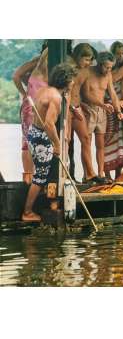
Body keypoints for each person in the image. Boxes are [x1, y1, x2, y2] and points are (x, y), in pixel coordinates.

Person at [22, 63, 77, 222]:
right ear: (66, 80)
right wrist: (57, 144)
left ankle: (46, 205)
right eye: (72, 80)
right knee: (40, 177)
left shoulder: (43, 90)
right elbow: (49, 124)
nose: (73, 83)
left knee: (43, 173)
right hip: (41, 136)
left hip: (34, 132)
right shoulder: (55, 97)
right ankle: (27, 212)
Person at [81, 51, 123, 182]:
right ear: (99, 64)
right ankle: (87, 174)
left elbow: (113, 94)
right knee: (86, 143)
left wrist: (118, 112)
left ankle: (100, 174)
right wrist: (103, 104)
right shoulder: (88, 72)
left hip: (102, 112)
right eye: (106, 67)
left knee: (100, 144)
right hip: (88, 110)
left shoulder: (108, 75)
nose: (108, 70)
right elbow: (86, 94)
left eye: (111, 67)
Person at [12, 44, 48, 184]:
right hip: (30, 106)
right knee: (28, 141)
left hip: (40, 108)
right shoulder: (37, 63)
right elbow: (16, 76)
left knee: (36, 141)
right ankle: (28, 177)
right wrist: (24, 93)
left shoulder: (47, 68)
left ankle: (35, 176)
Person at [67, 43, 102, 183]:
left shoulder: (86, 72)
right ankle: (66, 174)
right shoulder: (68, 69)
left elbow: (84, 93)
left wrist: (100, 105)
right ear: (77, 56)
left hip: (77, 107)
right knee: (67, 141)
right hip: (66, 108)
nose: (88, 63)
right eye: (86, 59)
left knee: (86, 139)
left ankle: (89, 174)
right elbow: (64, 91)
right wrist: (72, 107)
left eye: (90, 60)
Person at [104, 41, 123, 181]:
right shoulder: (107, 70)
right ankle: (106, 174)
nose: (120, 56)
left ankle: (119, 175)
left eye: (122, 53)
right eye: (117, 53)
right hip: (108, 107)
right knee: (107, 140)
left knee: (121, 142)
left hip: (122, 109)